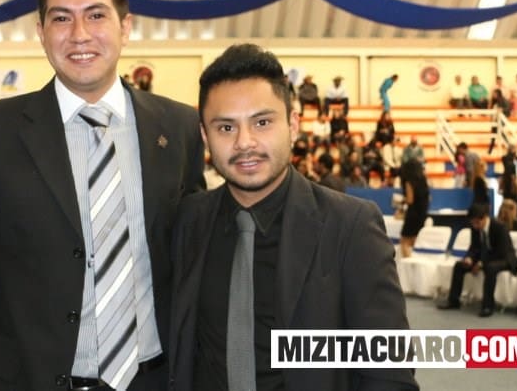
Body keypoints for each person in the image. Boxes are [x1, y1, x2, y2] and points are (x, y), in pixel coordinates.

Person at [0, 0, 206, 391]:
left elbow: (189, 257)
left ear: (126, 27)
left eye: (96, 15)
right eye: (61, 18)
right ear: (41, 33)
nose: (79, 34)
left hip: (153, 378)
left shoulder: (178, 127)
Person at [170, 44, 417, 391]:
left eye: (262, 122)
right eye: (225, 127)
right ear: (204, 136)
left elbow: (388, 372)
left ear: (293, 125)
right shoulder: (188, 220)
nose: (245, 142)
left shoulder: (351, 226)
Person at [438, 204, 517, 317]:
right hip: (485, 258)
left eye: (477, 223)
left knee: (490, 268)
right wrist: (469, 258)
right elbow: (474, 247)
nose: (475, 226)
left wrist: (481, 263)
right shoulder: (475, 228)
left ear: (484, 218)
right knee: (459, 266)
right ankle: (453, 301)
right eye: (473, 223)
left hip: (503, 259)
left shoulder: (500, 227)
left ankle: (487, 306)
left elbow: (501, 252)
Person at [398, 159, 429, 258]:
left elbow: (410, 200)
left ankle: (407, 264)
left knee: (404, 242)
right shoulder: (423, 180)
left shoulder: (409, 181)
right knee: (414, 241)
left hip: (412, 215)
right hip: (422, 213)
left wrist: (402, 200)